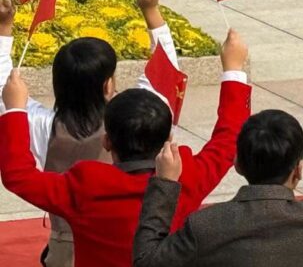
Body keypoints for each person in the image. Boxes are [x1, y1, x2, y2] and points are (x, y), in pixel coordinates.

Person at [0, 30, 251, 267]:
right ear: (169, 136)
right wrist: (234, 70)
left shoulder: (86, 188)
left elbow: (18, 176)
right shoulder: (186, 178)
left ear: (107, 142)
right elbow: (228, 139)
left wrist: (14, 110)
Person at [0, 0, 179, 267]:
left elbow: (2, 85)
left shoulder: (42, 125)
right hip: (140, 236)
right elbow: (165, 68)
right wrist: (150, 10)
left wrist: (4, 27)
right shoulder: (142, 118)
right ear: (109, 84)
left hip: (68, 245)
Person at [132, 102, 303, 267]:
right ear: (298, 169)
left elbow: (146, 261)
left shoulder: (206, 225)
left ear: (237, 164)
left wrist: (164, 183)